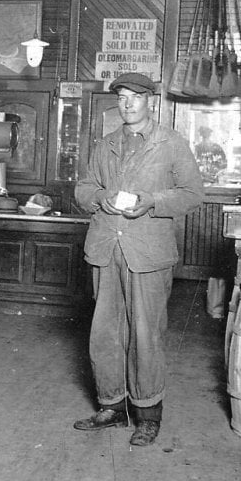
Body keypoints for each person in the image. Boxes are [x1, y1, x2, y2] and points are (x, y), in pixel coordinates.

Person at [71, 73, 203, 446]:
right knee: (105, 332)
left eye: (136, 98)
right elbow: (83, 188)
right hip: (106, 248)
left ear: (151, 102)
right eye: (123, 98)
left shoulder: (170, 143)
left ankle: (147, 414)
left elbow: (193, 194)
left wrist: (154, 202)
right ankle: (111, 406)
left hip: (148, 252)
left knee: (145, 334)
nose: (127, 104)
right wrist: (100, 198)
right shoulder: (106, 144)